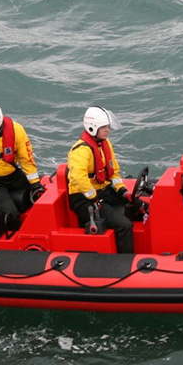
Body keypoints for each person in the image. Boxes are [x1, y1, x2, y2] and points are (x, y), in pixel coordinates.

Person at [66, 106, 134, 254]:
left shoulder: (105, 144)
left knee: (136, 204)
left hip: (101, 190)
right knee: (124, 225)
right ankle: (125, 260)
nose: (107, 130)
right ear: (92, 128)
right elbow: (78, 178)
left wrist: (121, 190)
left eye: (108, 126)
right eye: (103, 127)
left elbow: (113, 171)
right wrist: (93, 198)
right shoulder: (81, 150)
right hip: (83, 197)